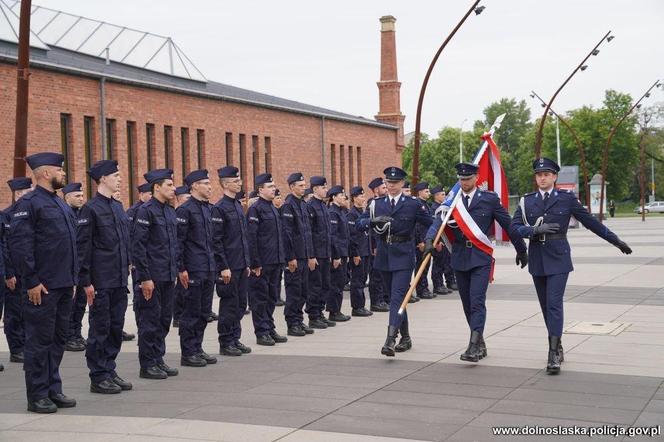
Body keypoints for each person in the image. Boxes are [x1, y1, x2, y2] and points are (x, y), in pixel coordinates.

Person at [511, 158, 632, 374]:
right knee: (546, 307)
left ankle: (552, 353)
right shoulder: (526, 201)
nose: (542, 178)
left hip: (559, 257)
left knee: (554, 303)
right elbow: (515, 227)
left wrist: (616, 241)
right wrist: (533, 231)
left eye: (547, 174)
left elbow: (591, 222)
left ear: (555, 177)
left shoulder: (566, 199)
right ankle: (557, 343)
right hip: (538, 257)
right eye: (539, 174)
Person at [425, 162, 528, 364]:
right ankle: (479, 340)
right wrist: (430, 239)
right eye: (461, 179)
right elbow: (439, 221)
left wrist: (521, 248)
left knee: (477, 300)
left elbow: (507, 223)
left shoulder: (488, 199)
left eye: (468, 179)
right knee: (467, 303)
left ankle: (473, 346)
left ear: (476, 178)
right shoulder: (452, 201)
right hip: (460, 256)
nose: (464, 182)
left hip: (480, 256)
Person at [9, 152, 79, 413]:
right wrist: (31, 282)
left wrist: (73, 280)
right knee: (39, 341)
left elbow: (69, 245)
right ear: (46, 173)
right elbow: (20, 246)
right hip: (42, 286)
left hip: (62, 284)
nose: (63, 174)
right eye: (59, 170)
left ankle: (52, 387)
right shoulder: (29, 204)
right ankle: (37, 394)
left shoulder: (60, 203)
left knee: (58, 338)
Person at [357, 167, 433, 357]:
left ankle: (390, 339)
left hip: (404, 254)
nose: (390, 186)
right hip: (383, 254)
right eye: (388, 183)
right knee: (394, 298)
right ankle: (406, 337)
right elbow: (359, 223)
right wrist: (372, 222)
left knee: (398, 296)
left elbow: (431, 222)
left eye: (395, 183)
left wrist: (430, 240)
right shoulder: (376, 204)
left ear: (402, 184)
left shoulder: (413, 204)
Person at [77, 160, 132, 394]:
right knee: (100, 328)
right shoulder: (90, 209)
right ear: (102, 179)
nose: (119, 178)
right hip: (101, 280)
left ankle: (109, 369)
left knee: (115, 327)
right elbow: (83, 248)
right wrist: (86, 281)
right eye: (115, 175)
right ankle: (98, 375)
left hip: (119, 279)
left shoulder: (118, 207)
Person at [132, 169, 179, 379]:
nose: (173, 188)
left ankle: (158, 358)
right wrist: (145, 278)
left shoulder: (170, 211)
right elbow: (139, 247)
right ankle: (147, 363)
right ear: (156, 187)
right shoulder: (145, 211)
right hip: (152, 276)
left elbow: (173, 245)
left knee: (163, 320)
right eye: (169, 185)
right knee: (149, 321)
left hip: (168, 275)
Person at [175, 170, 218, 367]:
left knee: (203, 312)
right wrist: (181, 268)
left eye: (210, 184)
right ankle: (188, 352)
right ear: (194, 187)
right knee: (190, 313)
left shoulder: (209, 209)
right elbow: (179, 242)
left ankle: (198, 347)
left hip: (208, 268)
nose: (210, 187)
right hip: (192, 269)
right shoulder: (185, 210)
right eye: (205, 183)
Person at [212, 166, 252, 356]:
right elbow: (217, 240)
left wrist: (247, 262)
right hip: (229, 266)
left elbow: (243, 237)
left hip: (241, 264)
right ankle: (226, 341)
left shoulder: (237, 205)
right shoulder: (220, 208)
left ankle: (235, 338)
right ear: (226, 184)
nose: (240, 183)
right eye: (236, 181)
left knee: (240, 304)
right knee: (229, 305)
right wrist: (223, 266)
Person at [246, 173, 288, 346]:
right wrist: (255, 262)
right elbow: (252, 237)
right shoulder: (255, 209)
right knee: (260, 299)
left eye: (274, 186)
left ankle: (269, 328)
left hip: (275, 260)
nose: (273, 189)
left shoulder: (273, 208)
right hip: (262, 263)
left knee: (271, 298)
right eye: (270, 187)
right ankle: (261, 332)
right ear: (260, 189)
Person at [281, 173, 316, 337]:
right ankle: (292, 323)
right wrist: (290, 257)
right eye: (300, 185)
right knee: (293, 291)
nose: (304, 188)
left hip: (304, 255)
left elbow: (308, 233)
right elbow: (287, 234)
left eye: (304, 185)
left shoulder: (303, 205)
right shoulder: (288, 205)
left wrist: (311, 255)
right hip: (295, 257)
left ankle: (299, 320)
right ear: (292, 187)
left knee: (303, 291)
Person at [2, 177, 32, 365]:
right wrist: (9, 273)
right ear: (18, 194)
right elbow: (5, 246)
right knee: (14, 312)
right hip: (14, 273)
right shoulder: (6, 215)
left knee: (27, 311)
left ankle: (25, 345)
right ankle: (16, 349)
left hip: (28, 271)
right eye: (27, 192)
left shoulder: (31, 212)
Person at [306, 176, 336, 329]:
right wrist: (311, 255)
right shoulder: (310, 206)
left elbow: (327, 232)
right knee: (315, 286)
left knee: (325, 284)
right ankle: (313, 315)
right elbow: (309, 233)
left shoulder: (324, 206)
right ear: (315, 189)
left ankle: (320, 313)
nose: (326, 190)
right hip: (316, 254)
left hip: (325, 252)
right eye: (323, 187)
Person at [61, 182, 88, 352]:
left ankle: (76, 334)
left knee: (80, 303)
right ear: (67, 197)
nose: (81, 199)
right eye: (77, 196)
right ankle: (67, 336)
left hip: (81, 266)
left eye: (82, 195)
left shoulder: (82, 214)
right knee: (70, 304)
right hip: (69, 266)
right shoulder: (64, 213)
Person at [347, 186, 373, 317]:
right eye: (361, 196)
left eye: (364, 196)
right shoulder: (351, 214)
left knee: (363, 279)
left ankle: (361, 305)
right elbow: (352, 236)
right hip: (358, 252)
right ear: (354, 198)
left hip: (366, 250)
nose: (363, 198)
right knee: (357, 280)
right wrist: (355, 253)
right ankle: (357, 307)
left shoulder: (363, 212)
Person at [327, 185, 352, 322]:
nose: (344, 197)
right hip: (337, 254)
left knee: (340, 282)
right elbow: (333, 237)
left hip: (343, 252)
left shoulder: (341, 212)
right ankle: (333, 311)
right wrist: (336, 256)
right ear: (334, 197)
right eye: (341, 195)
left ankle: (337, 309)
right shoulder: (332, 213)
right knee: (335, 283)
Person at [366, 178, 390, 312]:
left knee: (382, 274)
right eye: (383, 188)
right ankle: (376, 301)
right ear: (376, 190)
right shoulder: (372, 204)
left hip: (384, 244)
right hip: (375, 245)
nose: (386, 190)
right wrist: (374, 245)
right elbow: (372, 228)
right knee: (376, 275)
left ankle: (383, 299)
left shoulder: (384, 203)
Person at [429, 186, 454, 295]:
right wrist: (437, 241)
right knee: (438, 264)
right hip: (439, 240)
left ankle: (447, 282)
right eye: (443, 194)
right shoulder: (435, 208)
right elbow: (434, 227)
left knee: (446, 262)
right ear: (436, 196)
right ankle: (438, 285)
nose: (445, 196)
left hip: (445, 240)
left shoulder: (443, 207)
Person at [413, 182, 435, 300]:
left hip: (427, 239)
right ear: (420, 192)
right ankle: (421, 289)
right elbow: (417, 226)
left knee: (426, 266)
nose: (429, 193)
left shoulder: (425, 205)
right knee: (421, 266)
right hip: (421, 241)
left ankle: (424, 288)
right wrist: (420, 241)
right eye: (426, 191)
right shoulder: (418, 205)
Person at [272, 189, 286, 307]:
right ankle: (275, 297)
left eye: (280, 198)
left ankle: (277, 296)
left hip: (280, 249)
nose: (279, 200)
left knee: (278, 275)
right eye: (277, 198)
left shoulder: (281, 211)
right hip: (272, 251)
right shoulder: (272, 211)